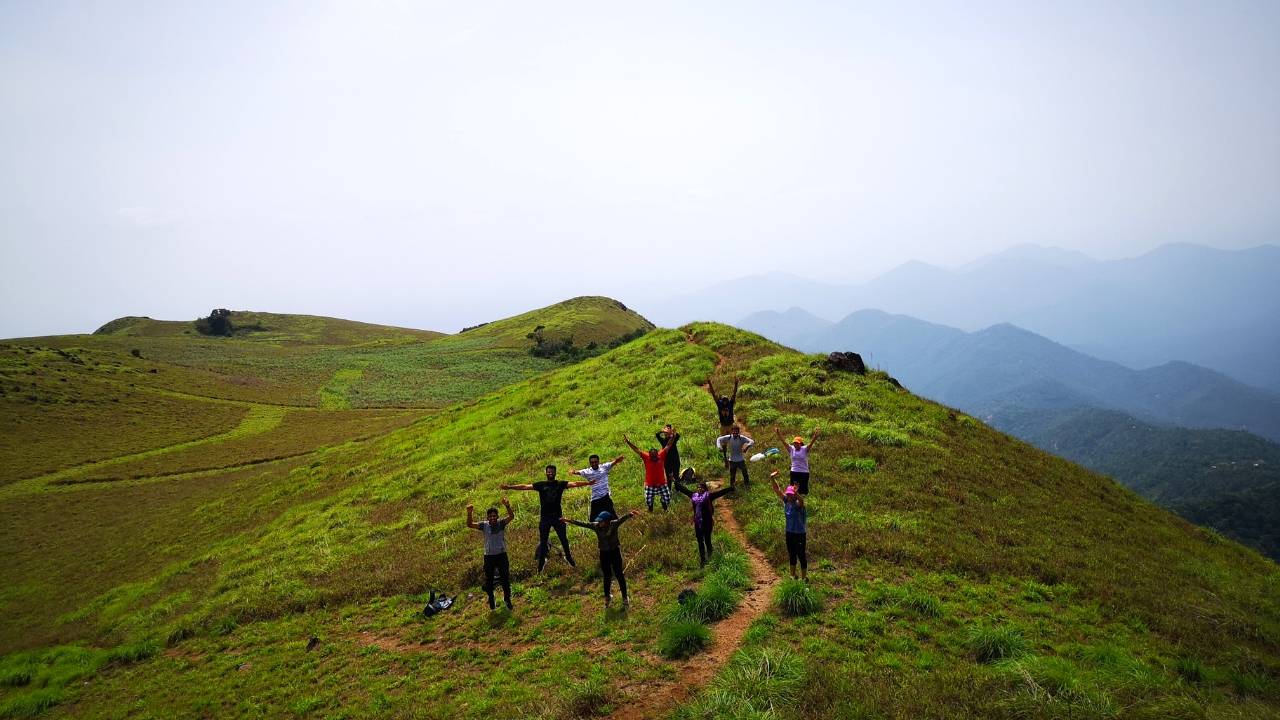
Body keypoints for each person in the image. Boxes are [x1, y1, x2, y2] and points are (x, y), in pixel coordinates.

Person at [500, 465, 593, 572]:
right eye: (548, 472)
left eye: (552, 472)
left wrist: (588, 483)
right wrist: (510, 487)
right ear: (546, 473)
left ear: (555, 473)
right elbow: (525, 487)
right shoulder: (541, 485)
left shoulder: (560, 484)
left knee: (564, 539)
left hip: (558, 517)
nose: (550, 473)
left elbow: (575, 484)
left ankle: (568, 556)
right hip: (545, 518)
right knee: (543, 541)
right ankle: (541, 562)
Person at [563, 509, 641, 608]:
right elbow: (583, 524)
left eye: (601, 521)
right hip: (604, 554)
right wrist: (568, 520)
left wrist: (630, 514)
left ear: (608, 521)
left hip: (615, 552)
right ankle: (607, 597)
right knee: (607, 576)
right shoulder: (596, 526)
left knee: (619, 575)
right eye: (599, 521)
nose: (599, 523)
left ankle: (625, 598)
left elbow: (622, 519)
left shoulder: (614, 524)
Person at [674, 469, 735, 567]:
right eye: (698, 488)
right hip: (698, 523)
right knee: (699, 541)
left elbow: (720, 493)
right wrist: (674, 482)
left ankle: (710, 557)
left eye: (702, 488)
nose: (699, 489)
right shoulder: (693, 496)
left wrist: (730, 488)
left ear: (705, 489)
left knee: (707, 540)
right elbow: (684, 490)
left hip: (707, 522)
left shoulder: (709, 496)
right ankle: (702, 560)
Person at [466, 498, 514, 611]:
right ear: (487, 517)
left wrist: (507, 506)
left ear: (497, 517)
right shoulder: (484, 525)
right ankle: (491, 599)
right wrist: (469, 513)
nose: (492, 518)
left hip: (502, 555)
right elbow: (470, 524)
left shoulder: (501, 523)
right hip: (489, 557)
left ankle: (507, 599)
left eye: (494, 516)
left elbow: (511, 517)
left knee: (505, 579)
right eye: (490, 516)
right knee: (489, 581)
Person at [624, 430, 676, 511]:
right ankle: (650, 508)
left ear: (657, 454)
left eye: (656, 456)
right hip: (650, 484)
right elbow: (636, 449)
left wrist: (673, 436)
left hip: (662, 483)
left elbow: (668, 445)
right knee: (648, 500)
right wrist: (628, 442)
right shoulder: (646, 457)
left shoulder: (661, 455)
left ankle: (663, 504)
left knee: (667, 498)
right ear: (650, 456)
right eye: (653, 457)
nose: (655, 458)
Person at [769, 470, 807, 581]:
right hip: (789, 532)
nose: (789, 496)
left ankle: (804, 579)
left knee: (801, 555)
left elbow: (802, 501)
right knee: (792, 554)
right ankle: (792, 576)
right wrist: (772, 478)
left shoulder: (799, 505)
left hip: (800, 534)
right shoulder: (786, 502)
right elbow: (777, 490)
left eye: (791, 495)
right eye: (789, 494)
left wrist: (796, 493)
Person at [568, 452, 625, 520]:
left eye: (595, 462)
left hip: (605, 497)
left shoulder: (604, 467)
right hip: (595, 499)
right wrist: (573, 471)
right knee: (593, 520)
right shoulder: (587, 471)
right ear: (590, 463)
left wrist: (618, 459)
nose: (594, 464)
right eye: (592, 462)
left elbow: (614, 462)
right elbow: (577, 472)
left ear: (598, 462)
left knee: (613, 518)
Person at [774, 426, 820, 495]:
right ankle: (794, 501)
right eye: (794, 443)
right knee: (793, 489)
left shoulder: (804, 449)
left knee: (803, 489)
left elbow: (811, 443)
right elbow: (783, 442)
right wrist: (778, 434)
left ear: (801, 443)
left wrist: (815, 436)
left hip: (804, 472)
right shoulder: (791, 449)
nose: (795, 444)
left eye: (797, 443)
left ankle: (802, 503)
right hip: (794, 471)